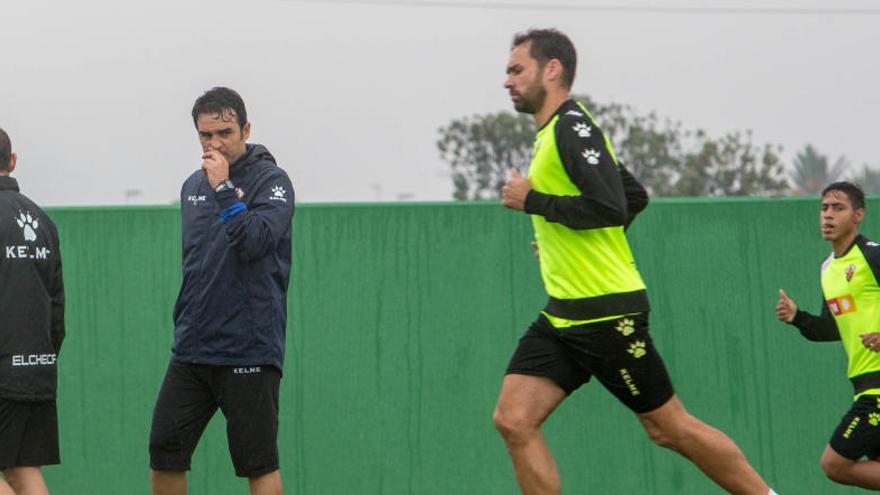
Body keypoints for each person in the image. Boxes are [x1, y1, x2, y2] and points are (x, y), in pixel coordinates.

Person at [494, 29, 777, 495]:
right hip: (565, 312)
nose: (507, 81)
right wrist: (563, 239)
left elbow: (611, 207)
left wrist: (534, 201)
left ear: (552, 69)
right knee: (513, 419)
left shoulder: (572, 127)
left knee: (669, 428)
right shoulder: (553, 131)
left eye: (516, 70)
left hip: (606, 312)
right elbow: (634, 196)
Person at [148, 87, 294, 495]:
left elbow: (255, 242)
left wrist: (225, 189)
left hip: (249, 348)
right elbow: (196, 263)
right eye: (205, 136)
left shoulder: (273, 183)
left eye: (224, 133)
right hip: (193, 349)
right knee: (164, 450)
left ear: (245, 129)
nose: (214, 144)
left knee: (258, 461)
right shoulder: (192, 187)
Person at [776, 181, 880, 490]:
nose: (828, 215)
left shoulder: (872, 256)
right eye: (824, 208)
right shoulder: (827, 269)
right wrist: (797, 318)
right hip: (864, 386)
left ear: (858, 215)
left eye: (838, 208)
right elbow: (830, 328)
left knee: (834, 464)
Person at [0, 127, 65, 495]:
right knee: (24, 470)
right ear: (12, 161)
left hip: (3, 368)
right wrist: (43, 356)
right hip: (38, 365)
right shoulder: (43, 221)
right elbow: (57, 306)